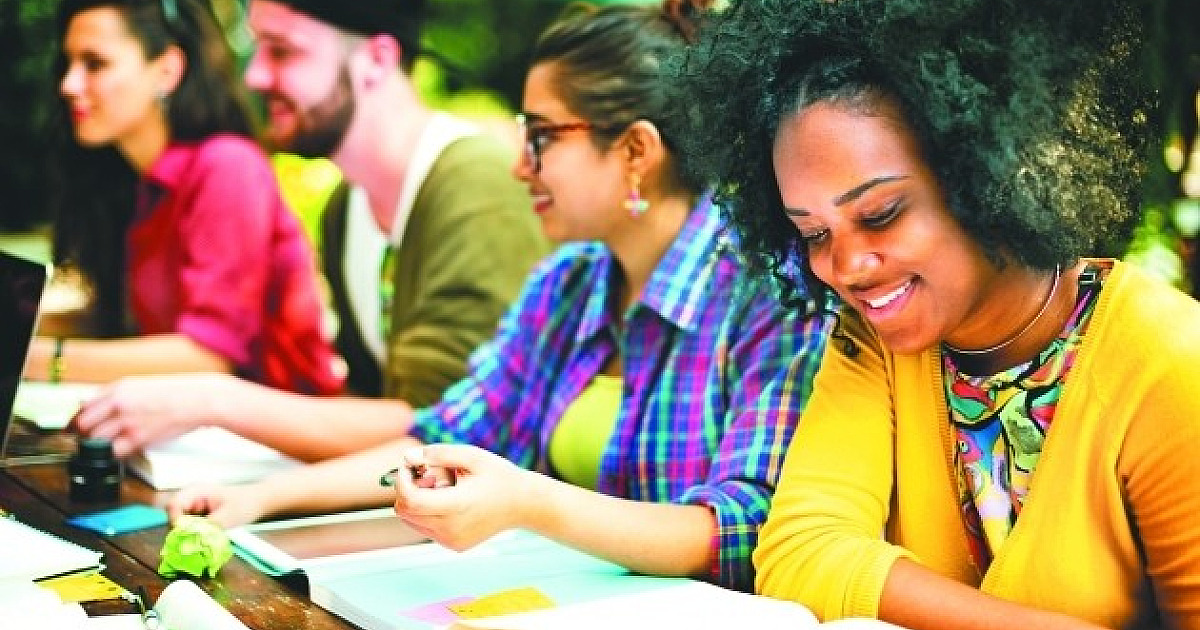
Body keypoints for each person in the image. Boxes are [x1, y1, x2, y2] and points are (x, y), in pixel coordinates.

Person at [165, 0, 831, 592]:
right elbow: (444, 433)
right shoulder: (570, 283)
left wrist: (530, 502)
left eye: (541, 138)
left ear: (635, 151)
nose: (519, 166)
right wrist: (261, 497)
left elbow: (743, 530)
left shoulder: (769, 291)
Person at [672, 0, 1200, 627]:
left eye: (880, 215)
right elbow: (799, 553)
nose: (846, 266)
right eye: (814, 234)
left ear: (993, 175)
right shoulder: (873, 345)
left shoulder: (1168, 360)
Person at [71, 0, 550, 461]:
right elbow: (371, 402)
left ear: (377, 59)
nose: (255, 75)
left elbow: (451, 428)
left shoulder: (476, 183)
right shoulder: (346, 208)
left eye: (282, 51)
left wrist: (213, 401)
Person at [26, 0, 340, 395]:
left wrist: (37, 359)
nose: (69, 85)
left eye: (95, 64)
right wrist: (22, 325)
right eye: (68, 64)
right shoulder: (130, 182)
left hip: (279, 421)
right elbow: (120, 322)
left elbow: (210, 354)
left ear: (167, 70)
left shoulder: (227, 166)